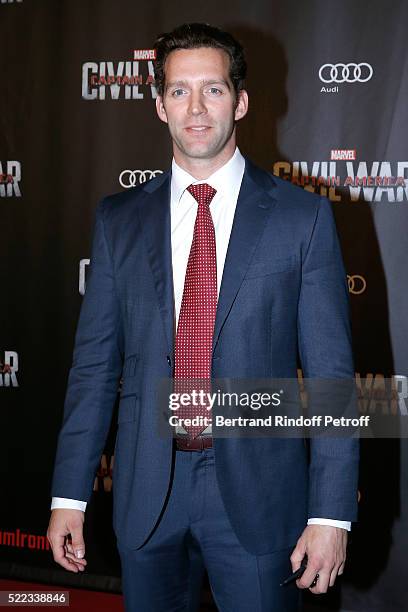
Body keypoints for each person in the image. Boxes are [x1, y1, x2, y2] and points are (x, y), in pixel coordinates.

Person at [47, 22, 359, 611]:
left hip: (260, 494)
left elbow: (332, 381)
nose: (195, 108)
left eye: (212, 90)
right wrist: (70, 497)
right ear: (160, 104)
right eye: (179, 90)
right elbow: (92, 369)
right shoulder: (119, 220)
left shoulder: (303, 218)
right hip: (145, 490)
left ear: (239, 101)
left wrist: (331, 510)